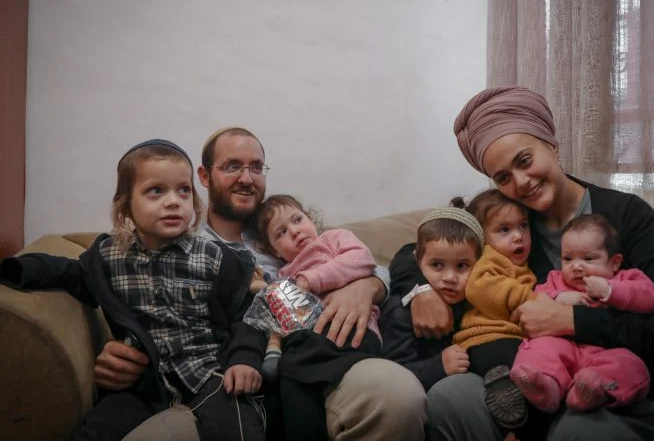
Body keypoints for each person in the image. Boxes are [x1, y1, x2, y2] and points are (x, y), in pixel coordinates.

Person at [394, 87, 654, 441]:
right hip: (535, 373)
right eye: (503, 177)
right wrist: (418, 290)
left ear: (552, 146)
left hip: (616, 382)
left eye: (524, 161)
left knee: (578, 431)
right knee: (450, 398)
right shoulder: (512, 224)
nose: (521, 182)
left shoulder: (627, 215)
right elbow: (415, 248)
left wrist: (572, 320)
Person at [94, 127, 427, 441]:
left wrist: (365, 286)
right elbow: (149, 304)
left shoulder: (283, 230)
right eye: (233, 166)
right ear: (204, 177)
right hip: (228, 382)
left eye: (256, 167)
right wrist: (120, 352)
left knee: (397, 394)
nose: (246, 178)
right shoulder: (181, 242)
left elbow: (367, 263)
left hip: (321, 357)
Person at [0, 140, 267, 441]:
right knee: (97, 431)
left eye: (183, 190)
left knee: (236, 422)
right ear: (125, 205)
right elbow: (66, 271)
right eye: (156, 191)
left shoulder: (216, 258)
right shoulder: (108, 258)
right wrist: (15, 269)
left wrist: (244, 359)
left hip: (208, 373)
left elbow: (249, 314)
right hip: (142, 383)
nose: (173, 201)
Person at [250, 194, 383, 439]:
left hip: (354, 330)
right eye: (281, 233)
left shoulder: (333, 239)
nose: (295, 231)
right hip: (311, 341)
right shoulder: (284, 274)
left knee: (294, 367)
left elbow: (362, 259)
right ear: (272, 249)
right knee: (286, 384)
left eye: (298, 220)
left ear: (311, 219)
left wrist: (310, 280)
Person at [511, 213, 654, 413]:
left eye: (588, 258)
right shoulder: (555, 279)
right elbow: (537, 300)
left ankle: (593, 392)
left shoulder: (625, 278)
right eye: (568, 258)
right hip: (563, 345)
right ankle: (546, 388)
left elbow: (650, 298)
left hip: (606, 350)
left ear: (614, 263)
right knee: (540, 347)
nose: (576, 266)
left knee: (631, 366)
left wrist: (610, 290)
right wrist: (559, 297)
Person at [451, 190, 536, 431]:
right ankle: (503, 388)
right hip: (484, 339)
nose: (518, 236)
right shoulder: (489, 259)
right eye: (504, 230)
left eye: (523, 226)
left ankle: (509, 399)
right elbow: (481, 287)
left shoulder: (523, 266)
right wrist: (532, 299)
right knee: (512, 360)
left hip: (509, 337)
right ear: (482, 239)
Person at [381, 207, 483, 391]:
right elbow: (391, 374)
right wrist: (438, 367)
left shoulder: (476, 301)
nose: (450, 277)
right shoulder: (400, 313)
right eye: (437, 265)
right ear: (417, 261)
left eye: (461, 266)